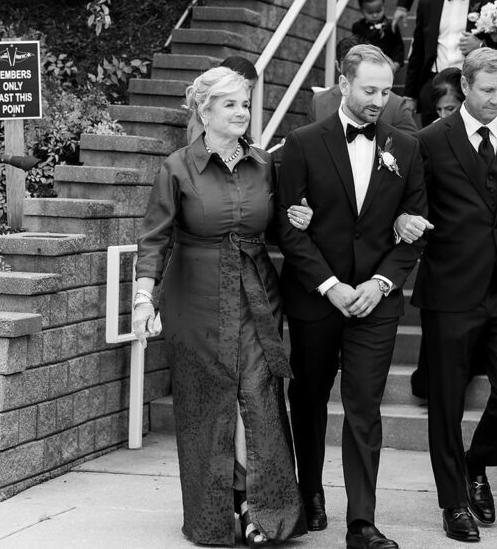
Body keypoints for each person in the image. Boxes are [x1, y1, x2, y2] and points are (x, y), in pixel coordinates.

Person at [133, 66, 313, 547]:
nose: (242, 112)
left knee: (257, 397)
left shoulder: (263, 164)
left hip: (257, 298)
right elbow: (154, 239)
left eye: (246, 103)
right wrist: (142, 299)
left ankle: (261, 510)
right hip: (195, 301)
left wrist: (299, 217)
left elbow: (277, 230)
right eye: (230, 103)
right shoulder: (176, 168)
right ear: (204, 110)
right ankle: (219, 509)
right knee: (209, 405)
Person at [395, 48, 497, 543]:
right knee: (445, 401)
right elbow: (410, 206)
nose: (496, 100)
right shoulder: (428, 141)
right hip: (451, 288)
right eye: (488, 91)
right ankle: (453, 502)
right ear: (465, 87)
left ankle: (476, 462)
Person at [276, 44, 428, 549]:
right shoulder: (301, 143)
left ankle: (362, 522)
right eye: (369, 90)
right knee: (310, 397)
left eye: (386, 92)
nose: (377, 101)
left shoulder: (404, 148)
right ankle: (310, 490)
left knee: (365, 405)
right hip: (317, 298)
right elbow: (288, 227)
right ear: (343, 84)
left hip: (375, 303)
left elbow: (414, 230)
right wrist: (331, 285)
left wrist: (380, 284)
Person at [405, 0, 497, 126]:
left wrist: (481, 46)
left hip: (474, 88)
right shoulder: (427, 3)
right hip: (435, 89)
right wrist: (410, 94)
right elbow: (418, 51)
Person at [307, 36, 419, 134]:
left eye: (385, 93)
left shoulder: (397, 105)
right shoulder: (319, 102)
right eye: (349, 63)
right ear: (338, 66)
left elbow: (412, 150)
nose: (378, 102)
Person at [186, 56, 259, 143]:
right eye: (248, 87)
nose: (248, 95)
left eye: (251, 89)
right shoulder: (203, 120)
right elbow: (199, 153)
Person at [351, 0, 406, 68]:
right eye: (370, 12)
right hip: (365, 66)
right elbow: (356, 47)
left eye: (378, 11)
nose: (375, 15)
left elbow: (398, 46)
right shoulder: (358, 27)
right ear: (362, 10)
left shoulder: (391, 25)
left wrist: (396, 63)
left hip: (387, 64)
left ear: (384, 6)